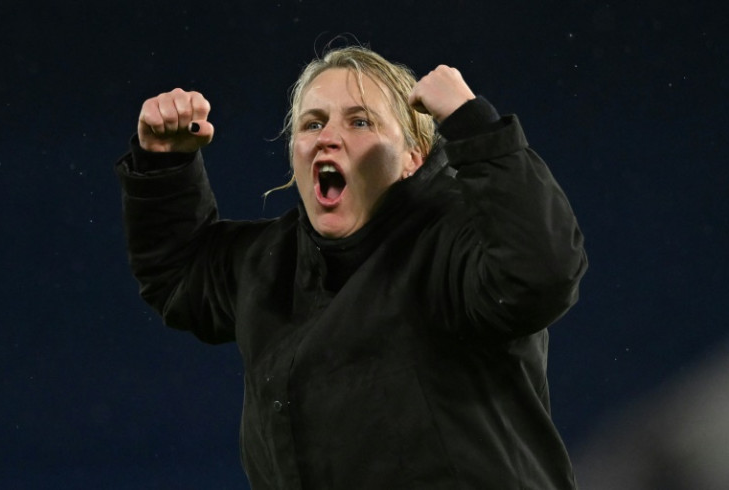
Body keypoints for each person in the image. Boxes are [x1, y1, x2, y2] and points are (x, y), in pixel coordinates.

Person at [115, 45, 588, 489]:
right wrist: (164, 162)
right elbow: (179, 276)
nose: (328, 138)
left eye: (360, 122)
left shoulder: (453, 244)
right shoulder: (272, 262)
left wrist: (475, 126)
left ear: (413, 157)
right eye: (311, 123)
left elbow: (541, 273)